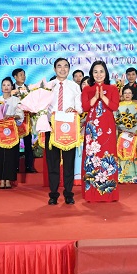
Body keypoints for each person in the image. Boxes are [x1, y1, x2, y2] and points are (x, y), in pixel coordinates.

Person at [81, 61, 120, 202]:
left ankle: (108, 192)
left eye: (101, 71)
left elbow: (115, 106)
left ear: (106, 73)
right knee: (92, 157)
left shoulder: (112, 88)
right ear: (91, 74)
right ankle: (92, 193)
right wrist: (95, 97)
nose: (98, 74)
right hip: (92, 128)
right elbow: (85, 107)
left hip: (107, 126)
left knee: (107, 155)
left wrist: (103, 97)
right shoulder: (87, 89)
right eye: (95, 72)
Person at [45, 58, 82, 204]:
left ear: (69, 69)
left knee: (69, 162)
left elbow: (80, 107)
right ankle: (53, 195)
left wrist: (75, 110)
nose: (62, 69)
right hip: (52, 127)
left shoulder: (74, 86)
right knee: (53, 162)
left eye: (65, 66)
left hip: (68, 128)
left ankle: (68, 193)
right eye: (59, 66)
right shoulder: (48, 86)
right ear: (54, 69)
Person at [0, 77, 23, 190]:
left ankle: (8, 179)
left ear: (12, 87)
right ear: (1, 87)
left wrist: (12, 116)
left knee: (10, 155)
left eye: (8, 85)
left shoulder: (16, 100)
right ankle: (1, 179)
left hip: (11, 131)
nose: (6, 87)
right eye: (4, 85)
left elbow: (20, 115)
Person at [116, 87, 137, 183]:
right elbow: (116, 121)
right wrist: (121, 129)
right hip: (122, 134)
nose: (127, 95)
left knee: (134, 153)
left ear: (132, 95)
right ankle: (123, 177)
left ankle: (134, 177)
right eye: (125, 93)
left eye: (129, 93)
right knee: (123, 151)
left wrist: (133, 130)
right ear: (122, 95)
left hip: (134, 134)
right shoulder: (118, 106)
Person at [12, 68, 36, 173]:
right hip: (15, 120)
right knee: (15, 144)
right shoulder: (11, 88)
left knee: (28, 144)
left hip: (27, 120)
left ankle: (29, 166)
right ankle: (15, 167)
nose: (23, 77)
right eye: (21, 75)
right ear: (15, 77)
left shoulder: (29, 89)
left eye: (24, 75)